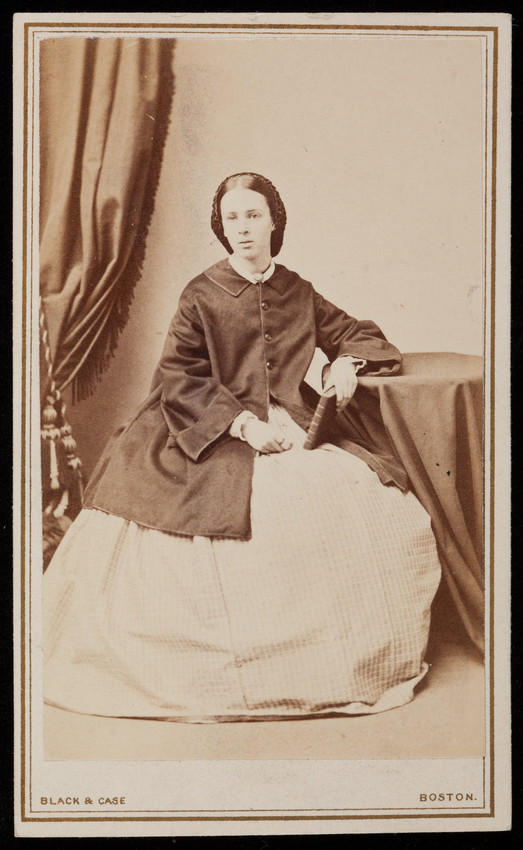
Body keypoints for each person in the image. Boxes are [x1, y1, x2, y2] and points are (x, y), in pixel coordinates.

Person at [44, 172, 441, 721]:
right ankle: (234, 676)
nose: (243, 228)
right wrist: (244, 428)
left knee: (368, 503)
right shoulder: (201, 292)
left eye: (253, 215)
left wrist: (347, 362)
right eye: (232, 218)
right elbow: (180, 376)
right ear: (221, 227)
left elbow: (357, 332)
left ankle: (328, 667)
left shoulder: (296, 289)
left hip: (289, 420)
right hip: (201, 425)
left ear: (274, 220)